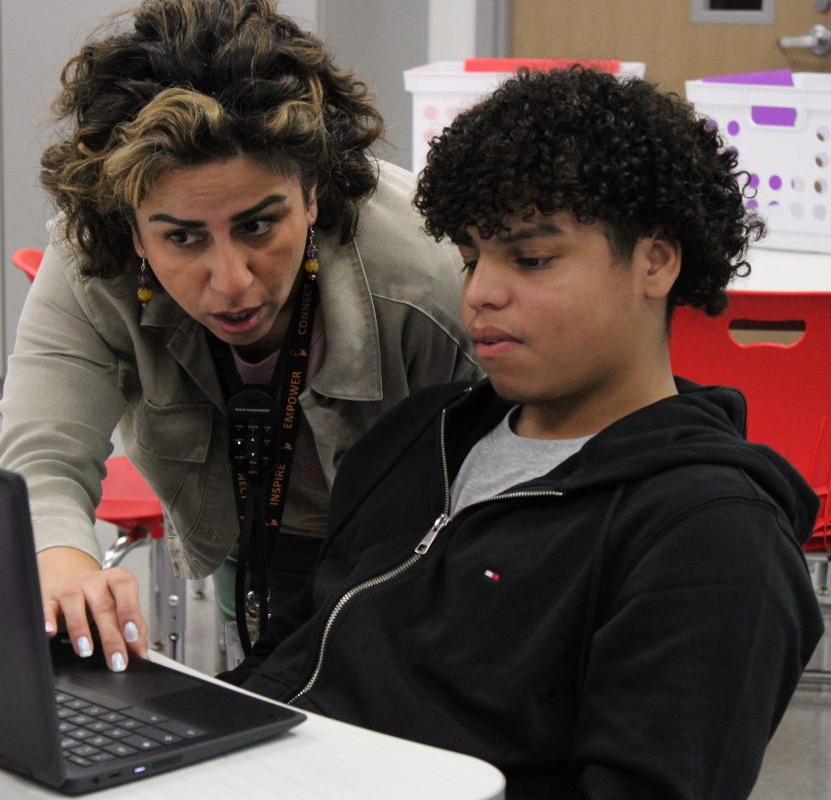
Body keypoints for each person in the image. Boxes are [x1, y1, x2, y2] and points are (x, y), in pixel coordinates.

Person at [223, 67, 824, 799]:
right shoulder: (421, 434)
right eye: (473, 259)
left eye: (532, 259)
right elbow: (290, 653)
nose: (480, 293)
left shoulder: (710, 536)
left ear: (656, 262)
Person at [0, 0, 478, 672]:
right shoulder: (94, 266)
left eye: (257, 227)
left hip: (420, 555)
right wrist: (63, 563)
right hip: (248, 537)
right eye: (183, 238)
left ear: (312, 192)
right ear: (133, 231)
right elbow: (39, 459)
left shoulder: (424, 279)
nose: (232, 282)